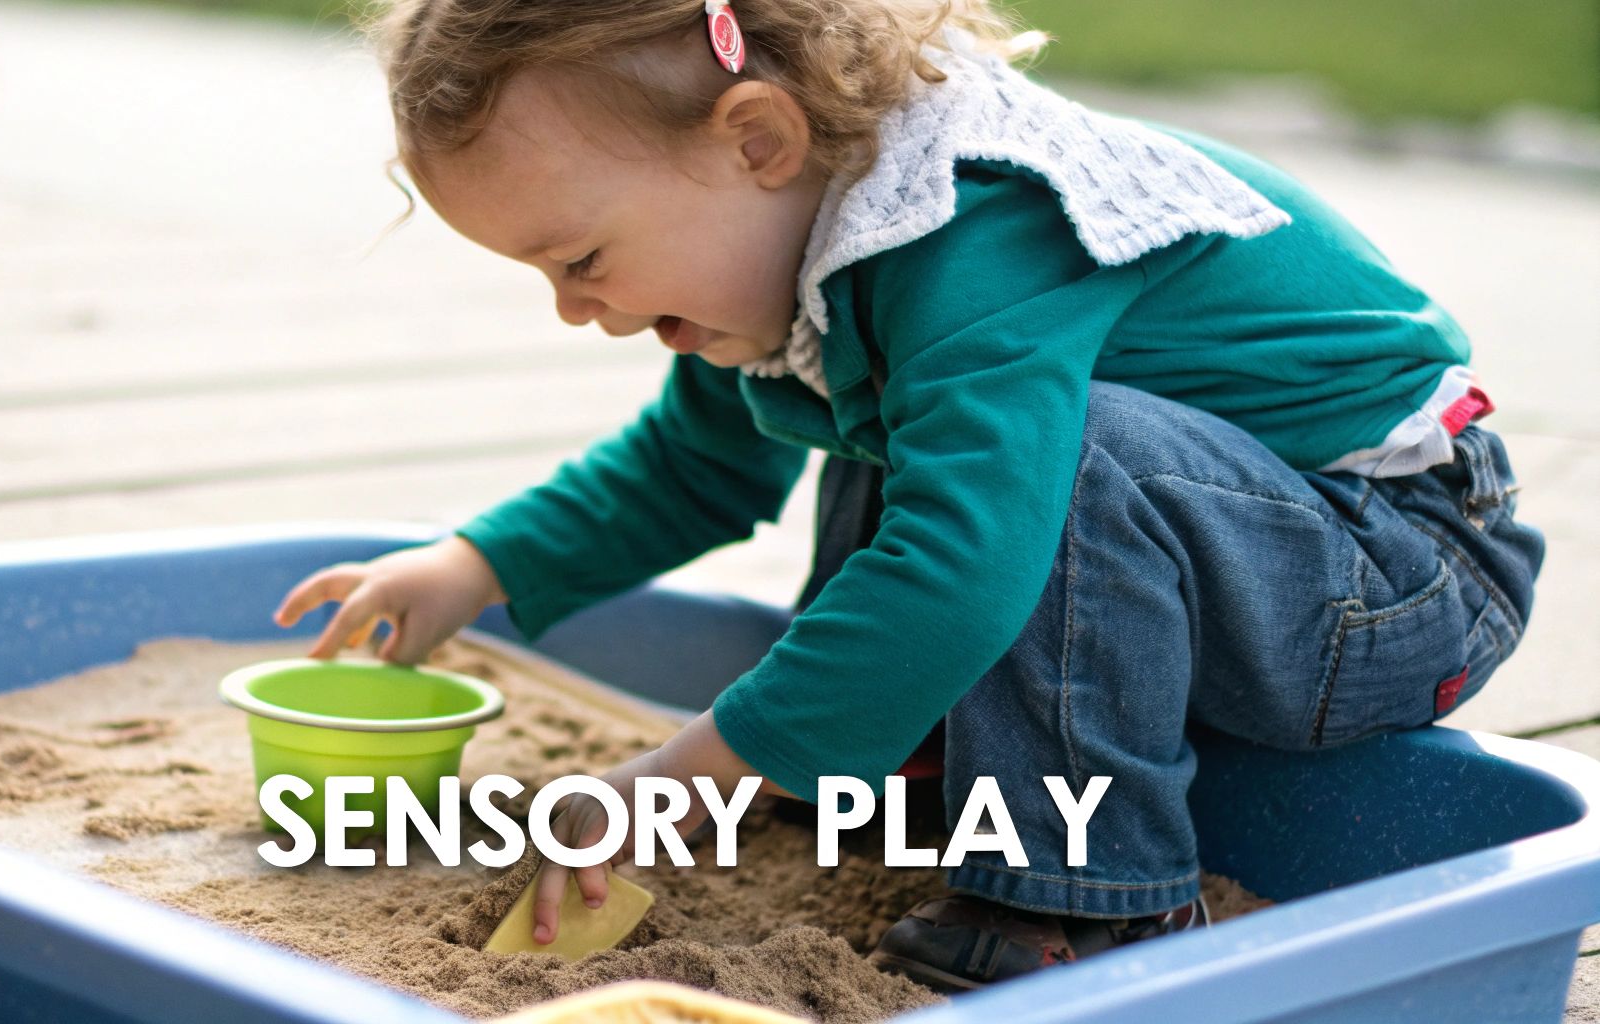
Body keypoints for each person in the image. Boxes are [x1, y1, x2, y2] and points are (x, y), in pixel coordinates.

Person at [271, 0, 1547, 991]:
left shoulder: (966, 223)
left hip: (1392, 574)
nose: (573, 308)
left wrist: (688, 773)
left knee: (1030, 474)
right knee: (937, 447)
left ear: (756, 140)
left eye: (582, 258)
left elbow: (963, 563)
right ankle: (909, 764)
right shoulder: (790, 253)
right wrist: (470, 566)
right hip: (1237, 561)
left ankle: (1087, 902)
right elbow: (692, 464)